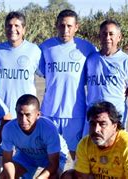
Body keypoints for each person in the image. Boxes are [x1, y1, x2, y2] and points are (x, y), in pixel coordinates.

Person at [38, 9, 97, 159]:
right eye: (62, 25)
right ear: (56, 25)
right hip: (50, 112)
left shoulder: (87, 48)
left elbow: (100, 65)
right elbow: (40, 71)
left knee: (77, 156)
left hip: (75, 113)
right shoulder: (45, 47)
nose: (65, 30)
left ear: (76, 27)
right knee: (50, 157)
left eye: (69, 26)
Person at [62, 101, 128, 178]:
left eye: (102, 124)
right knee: (68, 176)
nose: (96, 129)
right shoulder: (85, 144)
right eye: (92, 124)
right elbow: (82, 176)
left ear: (114, 126)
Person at [86, 19, 128, 137]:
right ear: (99, 36)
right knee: (91, 152)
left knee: (115, 152)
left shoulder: (127, 61)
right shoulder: (91, 59)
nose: (107, 37)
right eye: (104, 34)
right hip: (93, 117)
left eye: (111, 34)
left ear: (119, 37)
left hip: (115, 117)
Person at [1, 94, 68, 179]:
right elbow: (7, 160)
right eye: (20, 114)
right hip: (27, 156)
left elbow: (53, 164)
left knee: (53, 177)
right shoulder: (9, 129)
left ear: (38, 114)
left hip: (51, 157)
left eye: (28, 115)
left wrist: (39, 178)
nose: (23, 120)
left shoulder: (49, 128)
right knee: (4, 176)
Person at [0, 11, 41, 117]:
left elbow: (46, 75)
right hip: (1, 112)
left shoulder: (34, 50)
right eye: (9, 26)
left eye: (16, 25)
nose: (12, 29)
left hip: (26, 114)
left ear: (24, 29)